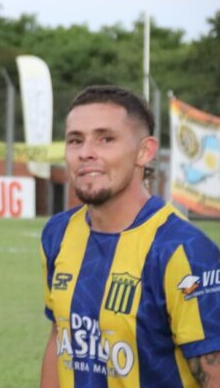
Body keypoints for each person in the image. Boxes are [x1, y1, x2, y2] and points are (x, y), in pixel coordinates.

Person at [40, 85, 220, 387]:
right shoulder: (57, 233)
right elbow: (59, 335)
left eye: (106, 139)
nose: (86, 153)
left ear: (144, 151)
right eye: (75, 140)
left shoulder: (183, 250)